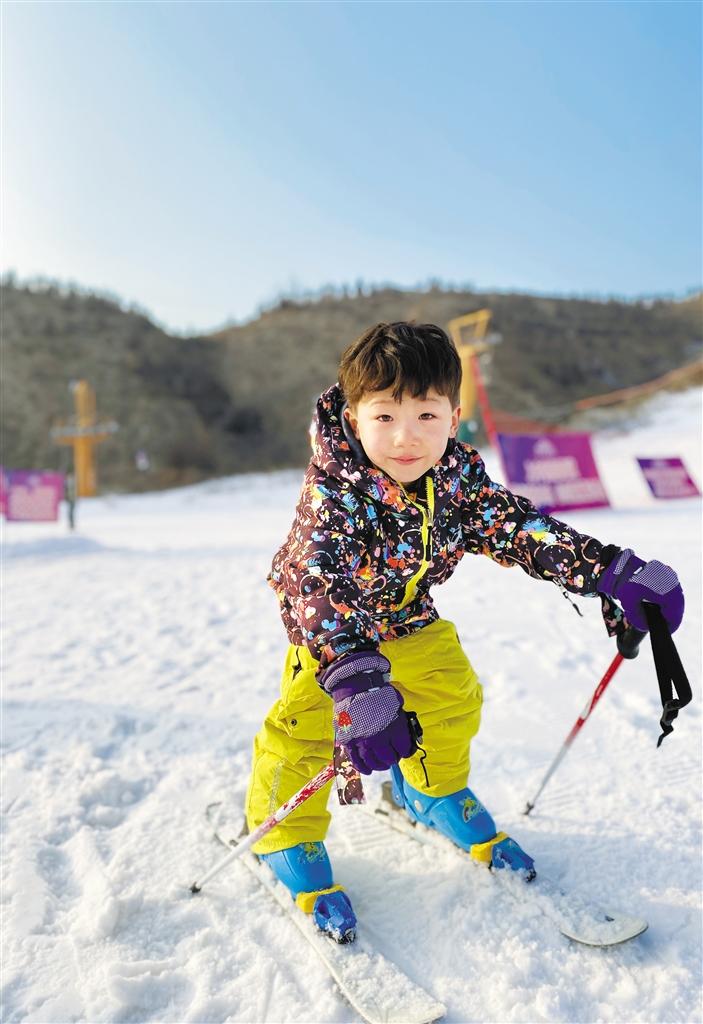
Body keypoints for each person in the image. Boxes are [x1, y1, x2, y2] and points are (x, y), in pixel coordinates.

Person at [245, 321, 684, 943]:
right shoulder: (336, 490)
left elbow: (519, 530)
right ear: (354, 415)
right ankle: (282, 835)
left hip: (411, 622)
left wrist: (611, 571)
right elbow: (309, 581)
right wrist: (353, 678)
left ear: (453, 417)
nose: (405, 438)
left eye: (425, 416)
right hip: (338, 641)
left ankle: (431, 791)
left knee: (453, 697)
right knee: (309, 730)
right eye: (385, 416)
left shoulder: (456, 480)